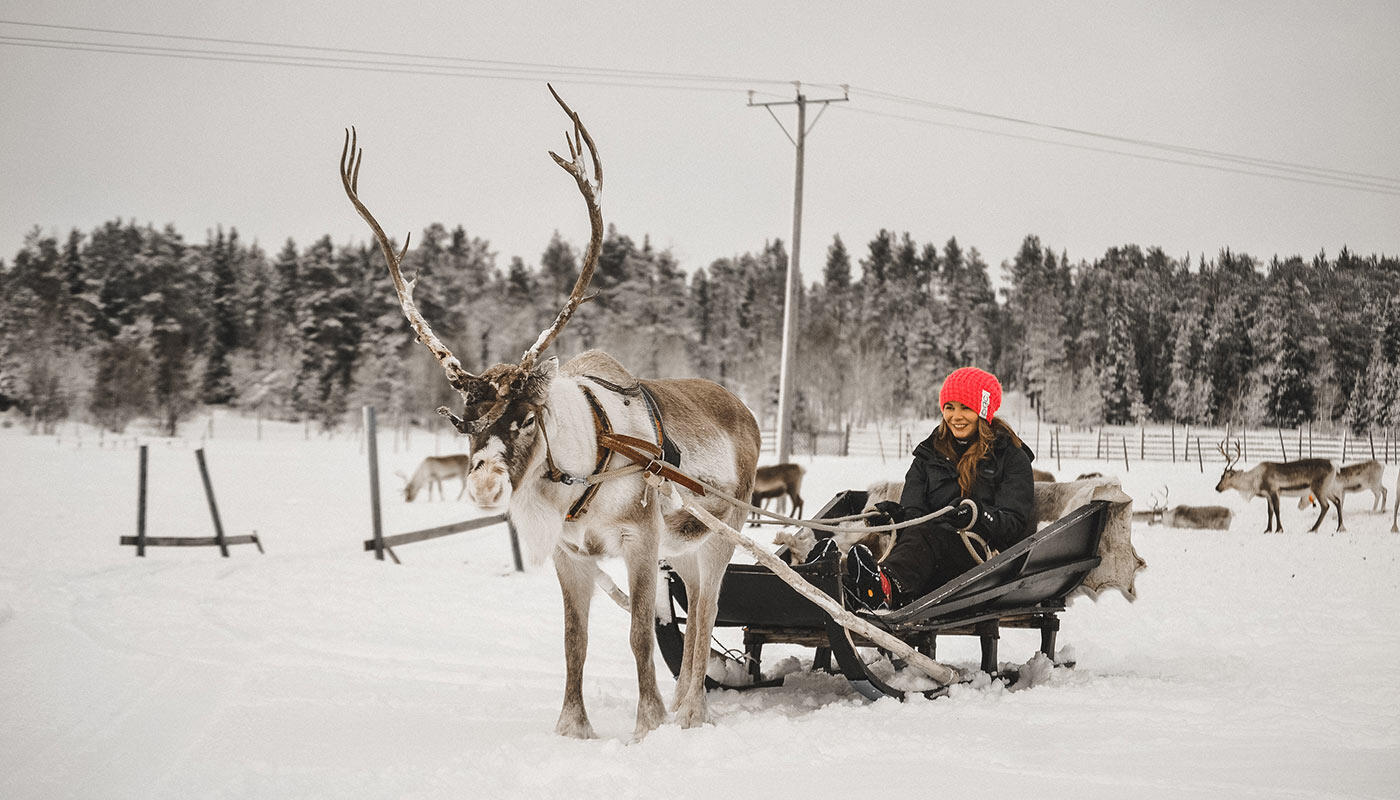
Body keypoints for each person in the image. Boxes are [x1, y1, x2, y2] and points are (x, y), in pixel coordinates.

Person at [824, 367, 1036, 610]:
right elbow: (915, 514)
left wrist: (978, 515)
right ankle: (840, 580)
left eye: (965, 408)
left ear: (983, 411)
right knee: (919, 533)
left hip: (979, 561)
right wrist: (897, 516)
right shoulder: (928, 455)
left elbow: (1014, 523)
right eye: (949, 407)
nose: (956, 416)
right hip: (929, 554)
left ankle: (884, 588)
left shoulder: (1010, 457)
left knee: (930, 535)